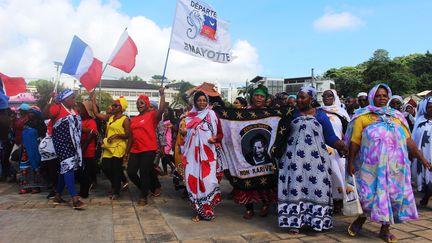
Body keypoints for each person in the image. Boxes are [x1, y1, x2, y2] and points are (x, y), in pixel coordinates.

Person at [346, 84, 431, 243]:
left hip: (395, 167)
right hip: (370, 167)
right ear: (372, 97)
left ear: (389, 97)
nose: (382, 98)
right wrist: (350, 162)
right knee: (368, 195)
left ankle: (385, 229)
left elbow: (409, 142)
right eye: (378, 95)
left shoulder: (397, 117)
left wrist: (424, 160)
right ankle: (361, 219)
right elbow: (355, 142)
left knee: (392, 196)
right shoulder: (362, 117)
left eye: (385, 95)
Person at [278, 86, 347, 234]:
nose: (299, 100)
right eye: (298, 97)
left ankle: (317, 221)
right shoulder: (291, 114)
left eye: (303, 97)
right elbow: (281, 135)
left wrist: (343, 146)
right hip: (294, 161)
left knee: (317, 189)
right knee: (295, 188)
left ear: (312, 98)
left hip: (317, 162)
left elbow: (330, 138)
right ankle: (294, 222)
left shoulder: (321, 115)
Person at [233, 85, 276, 219]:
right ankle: (249, 208)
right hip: (245, 153)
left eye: (262, 96)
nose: (258, 98)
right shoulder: (244, 112)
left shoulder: (272, 113)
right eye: (256, 95)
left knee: (265, 181)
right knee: (247, 181)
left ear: (266, 98)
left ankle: (265, 204)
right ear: (252, 97)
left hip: (266, 155)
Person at [182, 91, 223, 222]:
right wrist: (184, 133)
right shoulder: (189, 117)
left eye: (204, 100)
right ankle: (199, 211)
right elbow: (185, 137)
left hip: (208, 156)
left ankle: (208, 208)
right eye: (199, 100)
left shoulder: (212, 115)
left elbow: (220, 134)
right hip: (192, 158)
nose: (202, 103)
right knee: (194, 182)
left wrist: (214, 139)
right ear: (195, 102)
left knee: (208, 182)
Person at [44, 89, 85, 209]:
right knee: (68, 167)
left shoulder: (74, 110)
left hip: (73, 144)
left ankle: (57, 196)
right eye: (72, 98)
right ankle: (74, 198)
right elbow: (45, 115)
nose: (74, 100)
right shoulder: (58, 108)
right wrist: (51, 101)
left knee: (65, 168)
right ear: (65, 99)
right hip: (61, 143)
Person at [125, 88, 166, 206]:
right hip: (136, 149)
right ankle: (145, 188)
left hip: (148, 149)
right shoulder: (134, 119)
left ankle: (143, 196)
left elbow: (162, 109)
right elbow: (131, 137)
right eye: (137, 104)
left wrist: (162, 94)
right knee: (131, 172)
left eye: (141, 103)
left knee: (144, 172)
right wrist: (127, 151)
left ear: (147, 104)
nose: (139, 105)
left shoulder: (152, 115)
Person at [91, 94, 130, 200]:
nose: (113, 107)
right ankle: (117, 183)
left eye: (116, 105)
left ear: (121, 108)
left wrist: (117, 135)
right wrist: (93, 101)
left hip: (119, 146)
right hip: (109, 146)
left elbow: (128, 134)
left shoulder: (125, 119)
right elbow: (96, 114)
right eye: (113, 105)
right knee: (105, 167)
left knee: (116, 169)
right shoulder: (110, 117)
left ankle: (116, 190)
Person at [320, 89, 351, 213]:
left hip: (338, 148)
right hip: (322, 147)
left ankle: (339, 200)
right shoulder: (318, 112)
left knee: (338, 174)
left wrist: (345, 146)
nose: (326, 97)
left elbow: (347, 131)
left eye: (329, 95)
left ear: (334, 97)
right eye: (324, 95)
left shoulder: (341, 113)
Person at [18, 106, 46, 194]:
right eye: (29, 112)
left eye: (32, 112)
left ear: (36, 114)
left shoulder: (41, 124)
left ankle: (36, 187)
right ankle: (25, 187)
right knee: (25, 168)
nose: (30, 114)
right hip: (25, 149)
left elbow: (42, 136)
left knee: (35, 167)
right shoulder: (26, 123)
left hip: (36, 149)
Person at [412, 97, 432, 208]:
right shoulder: (420, 122)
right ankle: (426, 197)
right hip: (424, 155)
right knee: (427, 178)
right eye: (429, 107)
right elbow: (415, 140)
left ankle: (426, 198)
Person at [77, 101, 98, 198]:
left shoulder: (91, 122)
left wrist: (83, 148)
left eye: (81, 108)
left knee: (86, 172)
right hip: (80, 150)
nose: (79, 110)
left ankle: (84, 191)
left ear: (87, 111)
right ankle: (83, 190)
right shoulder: (80, 121)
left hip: (88, 151)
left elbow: (92, 134)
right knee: (81, 172)